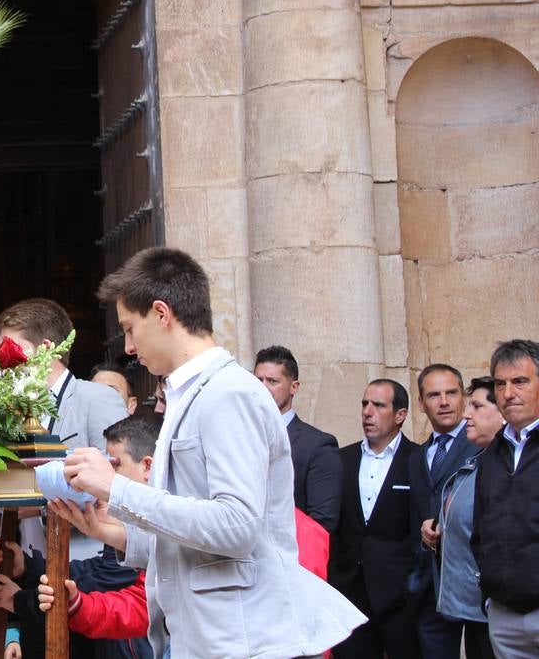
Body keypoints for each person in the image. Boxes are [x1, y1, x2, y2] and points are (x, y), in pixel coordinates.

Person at [62, 246, 363, 658]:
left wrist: (118, 489)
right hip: (212, 639)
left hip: (245, 641)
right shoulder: (194, 394)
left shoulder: (228, 394)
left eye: (130, 328)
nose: (129, 346)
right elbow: (198, 543)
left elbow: (236, 527)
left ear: (162, 314)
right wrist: (112, 531)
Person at [0, 298, 127, 565]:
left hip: (86, 565)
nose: (4, 359)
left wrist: (38, 508)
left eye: (12, 348)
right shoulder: (8, 411)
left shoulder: (96, 399)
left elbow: (119, 487)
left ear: (46, 348)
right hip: (26, 571)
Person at [37, 414, 161, 658]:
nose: (106, 475)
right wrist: (77, 605)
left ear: (147, 466)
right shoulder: (124, 516)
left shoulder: (183, 518)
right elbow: (141, 604)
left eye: (114, 465)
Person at [472, 339, 539, 657]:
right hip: (505, 616)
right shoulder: (493, 452)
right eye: (500, 383)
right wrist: (491, 598)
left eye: (520, 382)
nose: (508, 393)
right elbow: (481, 531)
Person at [329, 379, 421, 659]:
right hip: (350, 592)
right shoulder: (342, 459)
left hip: (399, 596)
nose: (368, 412)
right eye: (365, 404)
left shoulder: (417, 459)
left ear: (400, 415)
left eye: (379, 405)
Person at [419, 376, 502, 659]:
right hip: (470, 607)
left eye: (477, 407)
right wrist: (434, 529)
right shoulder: (472, 466)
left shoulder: (513, 469)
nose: (467, 414)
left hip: (500, 607)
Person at [406, 363, 481, 659]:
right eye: (434, 395)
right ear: (422, 404)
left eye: (452, 393)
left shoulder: (482, 445)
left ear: (463, 397)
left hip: (472, 583)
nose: (445, 401)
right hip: (429, 586)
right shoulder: (417, 457)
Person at [254, 345, 343, 533]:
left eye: (272, 381)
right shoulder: (241, 436)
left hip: (292, 556)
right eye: (258, 380)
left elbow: (322, 522)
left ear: (294, 387)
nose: (262, 388)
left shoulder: (318, 445)